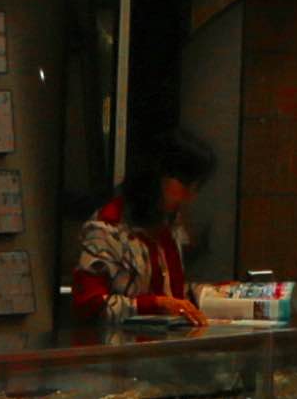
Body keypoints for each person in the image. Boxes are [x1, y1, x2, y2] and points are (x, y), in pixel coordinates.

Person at [70, 136, 211, 329]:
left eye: (194, 189)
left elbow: (174, 294)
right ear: (157, 179)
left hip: (159, 348)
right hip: (116, 349)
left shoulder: (169, 228)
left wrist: (219, 295)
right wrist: (155, 304)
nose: (189, 197)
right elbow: (88, 305)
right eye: (185, 186)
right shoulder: (107, 228)